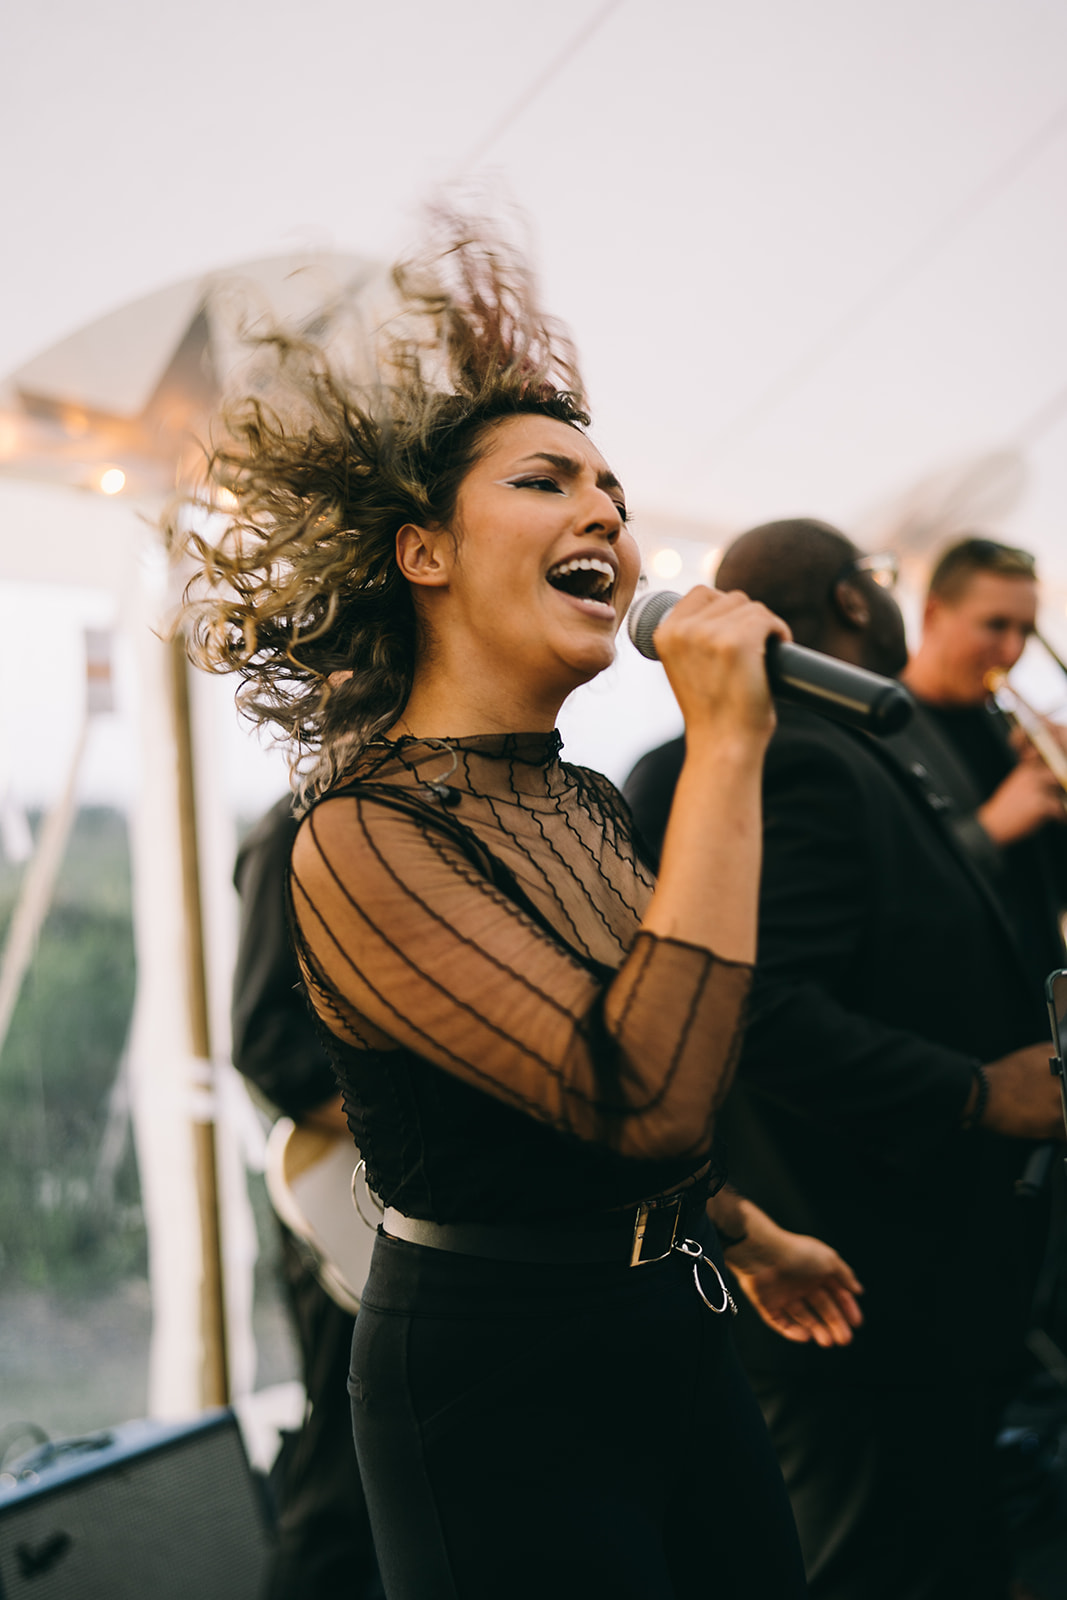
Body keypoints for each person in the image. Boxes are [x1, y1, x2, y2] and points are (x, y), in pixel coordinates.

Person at [176, 220, 855, 1599]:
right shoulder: (364, 829)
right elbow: (643, 1094)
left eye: (609, 485)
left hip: (668, 1317)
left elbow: (584, 1115)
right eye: (547, 482)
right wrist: (726, 745)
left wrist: (736, 1229)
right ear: (423, 555)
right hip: (495, 1379)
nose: (603, 509)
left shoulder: (580, 803)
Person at [623, 518, 1066, 1600]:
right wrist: (975, 1089)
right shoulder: (795, 758)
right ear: (860, 601)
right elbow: (753, 1011)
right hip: (858, 1276)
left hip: (908, 1278)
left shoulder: (845, 743)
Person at [232, 796, 382, 1600]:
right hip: (350, 1197)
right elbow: (268, 1048)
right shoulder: (292, 831)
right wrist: (419, 1130)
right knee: (348, 1457)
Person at [897, 535, 1067, 982]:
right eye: (995, 625)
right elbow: (893, 889)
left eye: (1025, 631)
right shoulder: (883, 727)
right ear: (933, 614)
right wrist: (992, 828)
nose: (1012, 652)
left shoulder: (1007, 727)